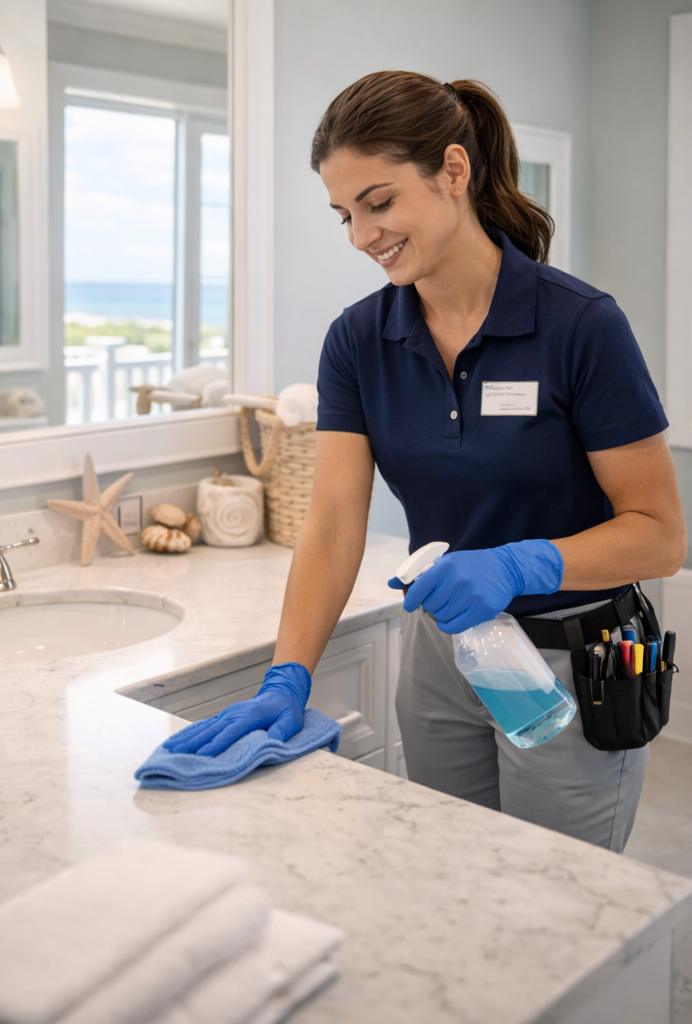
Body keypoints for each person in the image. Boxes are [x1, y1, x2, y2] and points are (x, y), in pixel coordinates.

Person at [165, 72, 686, 852]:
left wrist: (520, 563)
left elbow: (660, 536)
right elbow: (336, 525)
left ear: (452, 170)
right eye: (345, 215)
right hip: (445, 655)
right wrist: (288, 673)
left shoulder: (580, 326)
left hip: (575, 664)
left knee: (554, 910)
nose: (361, 235)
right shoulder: (358, 341)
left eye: (378, 203)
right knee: (449, 877)